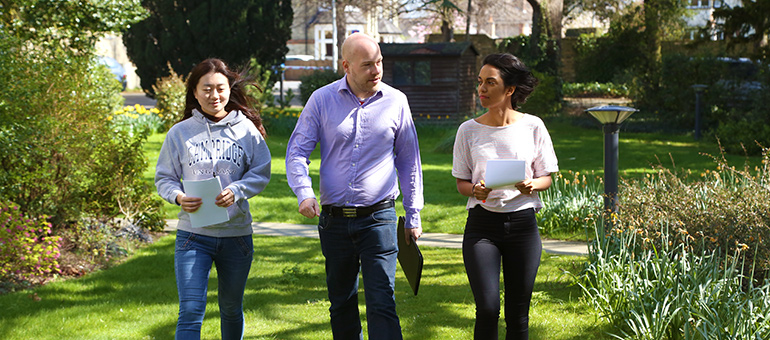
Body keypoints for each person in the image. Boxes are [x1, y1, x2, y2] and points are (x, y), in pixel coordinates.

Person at [285, 32, 424, 340]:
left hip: (380, 218)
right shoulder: (321, 100)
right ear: (346, 66)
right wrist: (304, 192)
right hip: (334, 221)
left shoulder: (396, 102)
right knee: (342, 304)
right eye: (367, 65)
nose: (376, 71)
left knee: (381, 302)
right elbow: (297, 152)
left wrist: (413, 214)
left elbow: (409, 160)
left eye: (379, 63)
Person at [155, 58, 271, 340]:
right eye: (206, 89)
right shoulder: (179, 133)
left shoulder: (247, 131)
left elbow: (261, 172)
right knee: (191, 310)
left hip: (237, 235)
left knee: (231, 308)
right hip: (193, 236)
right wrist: (179, 196)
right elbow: (164, 178)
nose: (214, 95)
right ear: (194, 92)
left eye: (220, 88)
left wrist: (238, 190)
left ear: (229, 89)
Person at [452, 53, 559, 340]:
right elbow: (462, 182)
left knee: (518, 315)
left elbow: (547, 177)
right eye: (480, 82)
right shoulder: (468, 130)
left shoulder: (533, 126)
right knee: (487, 309)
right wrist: (474, 190)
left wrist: (532, 185)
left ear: (509, 89)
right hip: (482, 228)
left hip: (523, 227)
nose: (481, 90)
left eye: (490, 83)